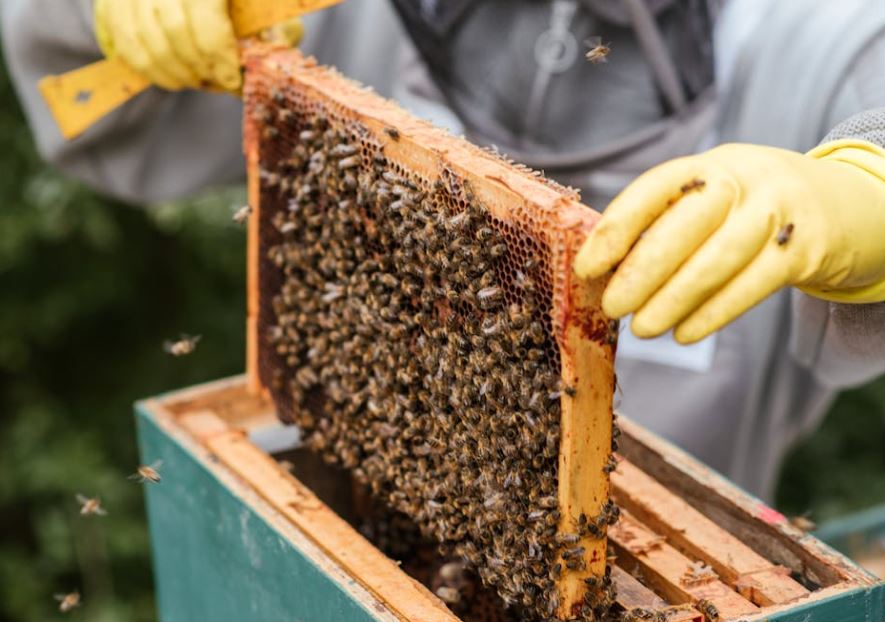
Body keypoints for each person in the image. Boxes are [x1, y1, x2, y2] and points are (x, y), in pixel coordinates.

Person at [4, 0, 885, 500]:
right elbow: (85, 93)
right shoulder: (337, 10)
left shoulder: (824, 33)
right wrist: (101, 12)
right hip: (347, 526)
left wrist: (860, 186)